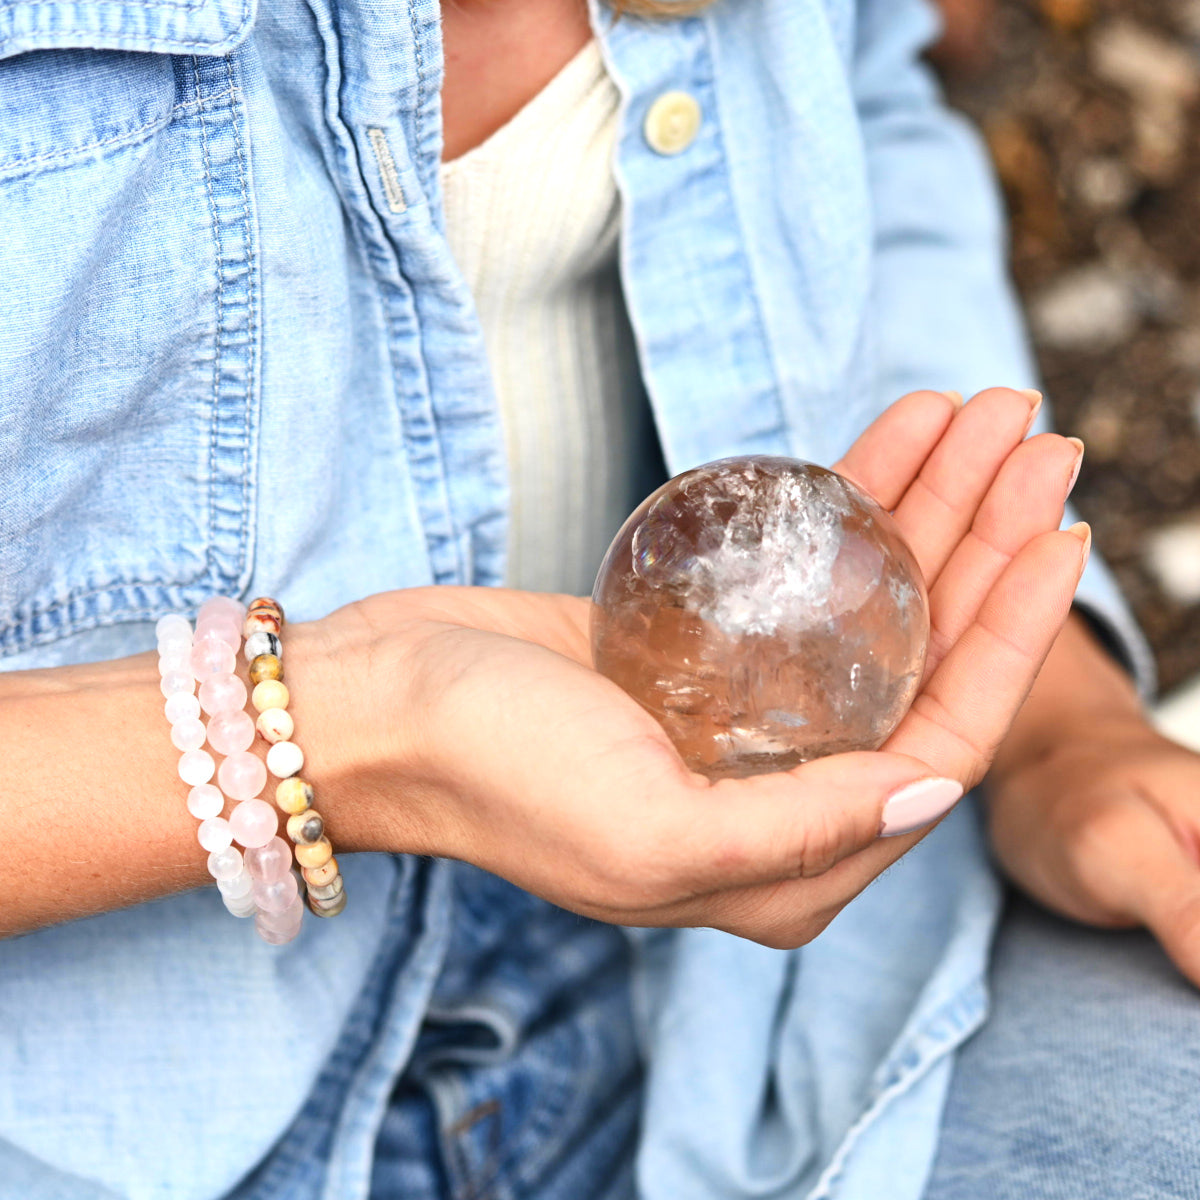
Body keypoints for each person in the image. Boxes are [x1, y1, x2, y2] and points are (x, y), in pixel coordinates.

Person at [0, 0, 1195, 1197]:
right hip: (117, 1096)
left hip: (749, 1005)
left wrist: (1049, 723)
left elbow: (861, 106)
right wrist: (359, 730)